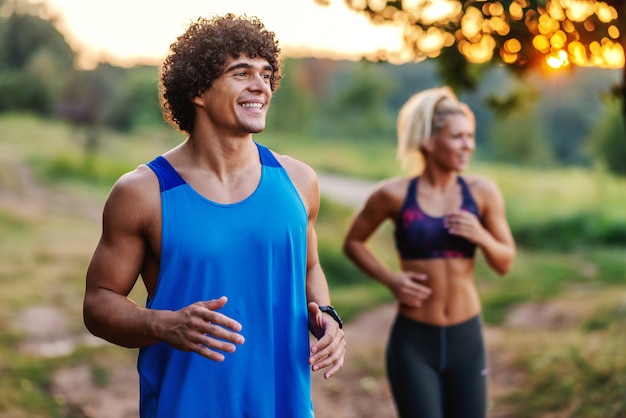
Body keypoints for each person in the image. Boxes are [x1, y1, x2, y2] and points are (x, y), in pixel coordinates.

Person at [83, 14, 345, 418]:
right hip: (184, 405)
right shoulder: (143, 192)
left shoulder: (298, 180)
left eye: (266, 74)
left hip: (286, 406)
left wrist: (326, 314)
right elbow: (99, 302)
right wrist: (162, 324)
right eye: (242, 73)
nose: (261, 86)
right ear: (198, 90)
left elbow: (310, 268)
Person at [342, 86, 515, 418]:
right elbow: (353, 242)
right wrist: (391, 280)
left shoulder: (482, 193)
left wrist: (481, 236)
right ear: (429, 141)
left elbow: (505, 262)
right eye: (458, 137)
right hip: (414, 342)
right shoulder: (392, 194)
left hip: (467, 338)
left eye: (471, 136)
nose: (469, 146)